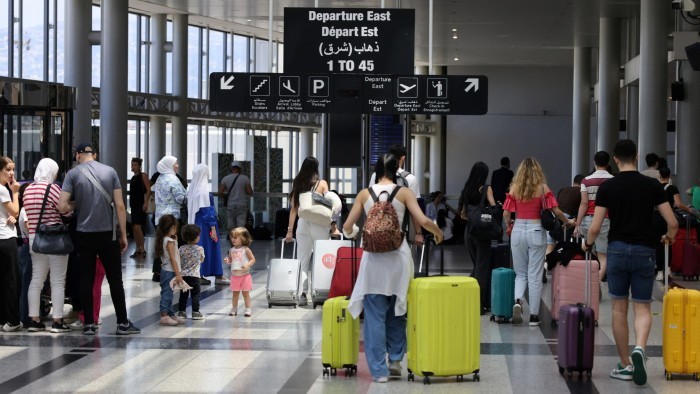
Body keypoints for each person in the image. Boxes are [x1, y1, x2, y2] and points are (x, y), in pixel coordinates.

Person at [584, 139, 678, 386]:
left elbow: (595, 227)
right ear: (636, 156)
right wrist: (669, 238)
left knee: (618, 308)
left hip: (616, 251)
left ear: (615, 159)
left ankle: (626, 363)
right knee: (643, 307)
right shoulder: (652, 185)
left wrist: (587, 244)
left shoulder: (608, 187)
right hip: (645, 251)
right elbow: (673, 223)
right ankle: (640, 349)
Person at [343, 153, 443, 383]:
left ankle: (379, 371)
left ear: (376, 171)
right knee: (398, 310)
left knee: (374, 316)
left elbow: (348, 225)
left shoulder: (364, 194)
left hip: (372, 261)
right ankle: (396, 360)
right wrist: (438, 233)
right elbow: (424, 220)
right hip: (398, 258)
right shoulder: (404, 192)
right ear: (397, 169)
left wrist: (354, 233)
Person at [58, 143, 140, 336]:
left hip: (84, 234)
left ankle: (88, 324)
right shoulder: (110, 172)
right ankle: (122, 322)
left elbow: (62, 207)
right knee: (115, 280)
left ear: (78, 155)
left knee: (86, 278)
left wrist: (79, 204)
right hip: (107, 234)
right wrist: (122, 235)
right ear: (94, 154)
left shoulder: (73, 174)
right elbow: (120, 206)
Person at [502, 158, 574, 326]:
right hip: (536, 230)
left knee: (520, 273)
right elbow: (555, 210)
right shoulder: (542, 188)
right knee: (534, 275)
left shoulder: (514, 188)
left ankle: (518, 301)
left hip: (518, 230)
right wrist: (566, 222)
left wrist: (509, 223)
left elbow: (506, 212)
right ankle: (534, 316)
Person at [24, 158, 72, 333]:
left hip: (34, 239)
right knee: (58, 281)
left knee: (36, 279)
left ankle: (34, 320)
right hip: (55, 238)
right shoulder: (53, 189)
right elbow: (65, 210)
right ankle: (57, 321)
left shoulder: (28, 190)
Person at [285, 156, 332, 306]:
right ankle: (319, 292)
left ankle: (303, 294)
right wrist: (334, 227)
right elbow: (329, 208)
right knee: (320, 259)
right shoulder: (322, 184)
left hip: (303, 223)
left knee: (302, 260)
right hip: (320, 224)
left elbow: (294, 209)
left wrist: (289, 231)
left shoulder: (298, 183)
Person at [460, 162, 497, 314]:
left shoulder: (467, 189)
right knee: (482, 268)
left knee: (477, 265)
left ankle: (466, 296)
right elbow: (494, 207)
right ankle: (478, 303)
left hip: (469, 231)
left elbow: (462, 215)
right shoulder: (487, 188)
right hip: (482, 234)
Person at [369, 145, 424, 246]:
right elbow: (414, 210)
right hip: (400, 231)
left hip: (375, 229)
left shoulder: (376, 175)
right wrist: (418, 233)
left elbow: (370, 203)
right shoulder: (410, 179)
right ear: (403, 158)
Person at [576, 151, 614, 285]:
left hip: (588, 220)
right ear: (608, 163)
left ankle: (590, 280)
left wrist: (578, 223)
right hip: (605, 219)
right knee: (603, 254)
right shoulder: (613, 180)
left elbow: (584, 203)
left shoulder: (585, 180)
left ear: (594, 162)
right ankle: (597, 280)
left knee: (588, 251)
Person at [188, 163, 227, 285]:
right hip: (206, 226)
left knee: (199, 248)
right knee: (210, 249)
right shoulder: (204, 192)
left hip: (196, 224)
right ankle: (217, 275)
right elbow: (208, 212)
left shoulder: (192, 191)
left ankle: (199, 274)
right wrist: (213, 228)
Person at [151, 155, 187, 282]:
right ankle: (174, 270)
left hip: (160, 216)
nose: (177, 165)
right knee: (173, 244)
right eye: (175, 163)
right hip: (172, 216)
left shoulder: (160, 178)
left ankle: (157, 272)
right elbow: (180, 197)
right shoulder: (173, 179)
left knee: (161, 243)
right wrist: (188, 199)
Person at [0, 156, 21, 332]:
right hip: (6, 238)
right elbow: (15, 210)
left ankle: (3, 318)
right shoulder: (3, 190)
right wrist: (15, 192)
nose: (12, 173)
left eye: (13, 169)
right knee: (11, 280)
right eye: (8, 169)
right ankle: (13, 320)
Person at [155, 214, 185, 326]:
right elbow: (173, 259)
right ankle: (164, 316)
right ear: (172, 227)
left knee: (169, 293)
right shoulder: (170, 242)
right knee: (167, 294)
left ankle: (170, 314)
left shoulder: (164, 239)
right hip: (170, 271)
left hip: (165, 271)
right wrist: (178, 274)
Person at [225, 227, 256, 317]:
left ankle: (248, 309)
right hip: (235, 276)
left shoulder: (246, 249)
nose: (233, 239)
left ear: (243, 238)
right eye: (232, 237)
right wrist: (228, 260)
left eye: (235, 237)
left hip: (245, 275)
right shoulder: (231, 250)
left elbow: (253, 259)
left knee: (245, 293)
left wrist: (247, 265)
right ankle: (234, 308)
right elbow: (231, 260)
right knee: (235, 293)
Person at [177, 224, 205, 320]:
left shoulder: (181, 249)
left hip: (183, 276)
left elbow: (178, 261)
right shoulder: (200, 249)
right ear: (197, 237)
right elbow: (202, 260)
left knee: (183, 295)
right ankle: (195, 312)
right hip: (195, 276)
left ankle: (181, 312)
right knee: (195, 294)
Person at [218, 161, 253, 233]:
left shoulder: (225, 178)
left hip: (230, 204)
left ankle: (233, 240)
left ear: (231, 168)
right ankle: (240, 242)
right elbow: (250, 192)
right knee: (241, 226)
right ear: (240, 169)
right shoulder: (245, 178)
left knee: (231, 225)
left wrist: (225, 196)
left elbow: (220, 192)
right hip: (242, 205)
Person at [17, 183, 32, 328]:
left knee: (28, 283)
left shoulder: (23, 209)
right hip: (28, 247)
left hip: (26, 247)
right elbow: (29, 227)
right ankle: (25, 316)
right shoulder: (25, 210)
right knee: (27, 284)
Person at [128, 157, 151, 258]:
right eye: (132, 165)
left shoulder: (143, 176)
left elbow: (148, 190)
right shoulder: (133, 178)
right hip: (133, 205)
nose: (133, 167)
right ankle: (138, 249)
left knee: (138, 227)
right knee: (134, 228)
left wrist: (145, 203)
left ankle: (142, 249)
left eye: (135, 165)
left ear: (139, 166)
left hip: (140, 205)